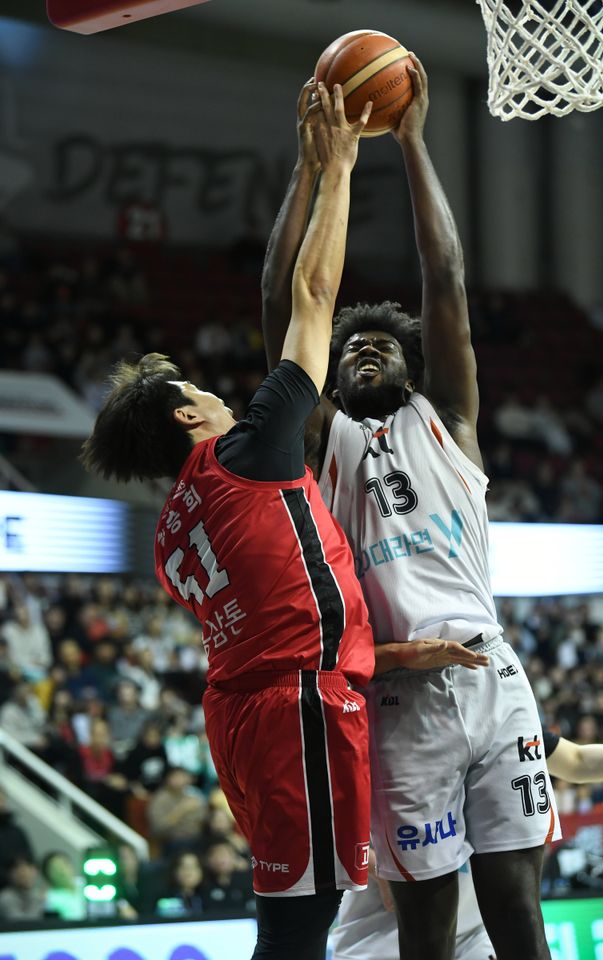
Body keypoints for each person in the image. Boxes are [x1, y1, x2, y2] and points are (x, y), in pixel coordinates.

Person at [81, 85, 391, 960]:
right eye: (200, 391)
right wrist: (339, 170)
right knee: (298, 931)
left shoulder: (170, 536)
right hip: (294, 708)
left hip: (248, 716)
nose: (220, 394)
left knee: (295, 920)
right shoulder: (244, 455)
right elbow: (312, 296)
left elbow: (279, 600)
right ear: (189, 419)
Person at [262, 58, 559, 960]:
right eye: (350, 344)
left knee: (518, 916)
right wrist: (315, 165)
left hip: (492, 679)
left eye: (382, 344)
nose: (364, 349)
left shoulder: (449, 422)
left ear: (412, 366)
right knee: (423, 933)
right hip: (396, 702)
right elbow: (281, 298)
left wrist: (416, 142)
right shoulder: (325, 441)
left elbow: (448, 275)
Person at [330, 732, 603, 960]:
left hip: (472, 938)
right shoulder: (383, 732)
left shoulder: (500, 721)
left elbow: (576, 761)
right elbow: (327, 829)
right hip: (377, 942)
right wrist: (380, 863)